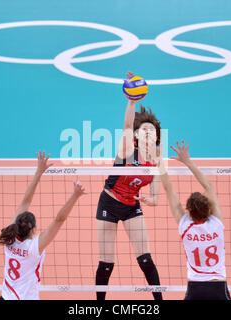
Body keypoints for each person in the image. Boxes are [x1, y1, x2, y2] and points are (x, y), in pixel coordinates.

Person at [95, 72, 162, 300]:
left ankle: (159, 302)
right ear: (135, 135)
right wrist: (131, 101)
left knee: (145, 259)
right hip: (109, 203)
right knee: (106, 263)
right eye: (143, 130)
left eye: (151, 131)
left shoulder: (156, 160)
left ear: (156, 137)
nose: (147, 133)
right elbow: (126, 123)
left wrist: (152, 199)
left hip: (132, 206)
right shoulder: (126, 150)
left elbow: (156, 187)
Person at [0, 150, 86, 300]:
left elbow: (25, 202)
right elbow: (59, 220)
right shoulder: (33, 248)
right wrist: (75, 196)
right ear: (33, 229)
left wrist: (38, 172)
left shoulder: (8, 238)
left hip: (5, 297)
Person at [156, 140, 231, 300]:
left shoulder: (184, 224)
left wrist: (159, 162)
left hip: (195, 287)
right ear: (209, 209)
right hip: (218, 285)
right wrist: (187, 162)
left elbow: (168, 188)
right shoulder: (216, 223)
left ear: (189, 211)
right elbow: (208, 186)